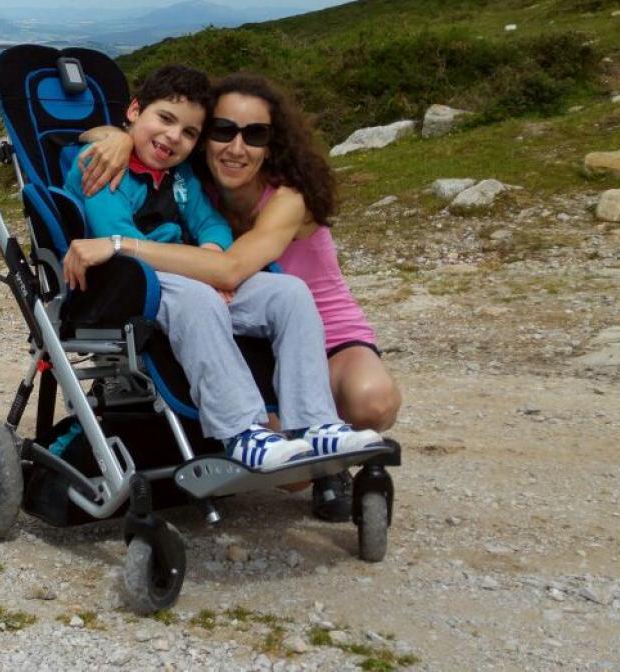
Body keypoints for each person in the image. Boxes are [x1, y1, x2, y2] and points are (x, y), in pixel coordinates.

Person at [76, 71, 401, 519]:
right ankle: (243, 432)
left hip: (317, 330)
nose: (234, 145)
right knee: (292, 476)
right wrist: (119, 139)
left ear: (272, 141)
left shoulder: (198, 180)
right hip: (146, 282)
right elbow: (120, 229)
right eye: (222, 131)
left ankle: (317, 425)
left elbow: (213, 231)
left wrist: (210, 250)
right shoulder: (114, 168)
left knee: (288, 291)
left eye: (188, 130)